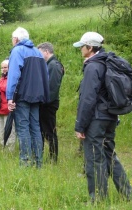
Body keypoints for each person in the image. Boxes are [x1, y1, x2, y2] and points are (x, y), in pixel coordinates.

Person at [73, 32, 131, 202]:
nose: (81, 50)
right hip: (111, 116)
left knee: (94, 158)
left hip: (96, 119)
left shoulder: (93, 66)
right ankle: (127, 193)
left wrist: (80, 126)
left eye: (82, 46)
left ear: (90, 48)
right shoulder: (107, 62)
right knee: (109, 154)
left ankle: (97, 199)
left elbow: (88, 99)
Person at [6, 27, 49, 168]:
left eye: (12, 39)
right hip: (37, 96)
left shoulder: (17, 51)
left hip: (22, 96)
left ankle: (25, 161)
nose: (12, 41)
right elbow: (45, 76)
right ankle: (38, 163)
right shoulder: (38, 52)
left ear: (16, 39)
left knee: (23, 128)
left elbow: (13, 75)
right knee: (35, 128)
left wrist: (10, 97)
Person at [37, 42, 64, 163]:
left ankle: (53, 158)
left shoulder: (54, 65)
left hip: (48, 105)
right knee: (43, 131)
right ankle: (41, 155)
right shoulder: (48, 65)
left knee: (50, 131)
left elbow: (52, 88)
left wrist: (44, 102)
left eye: (40, 52)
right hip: (44, 104)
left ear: (46, 51)